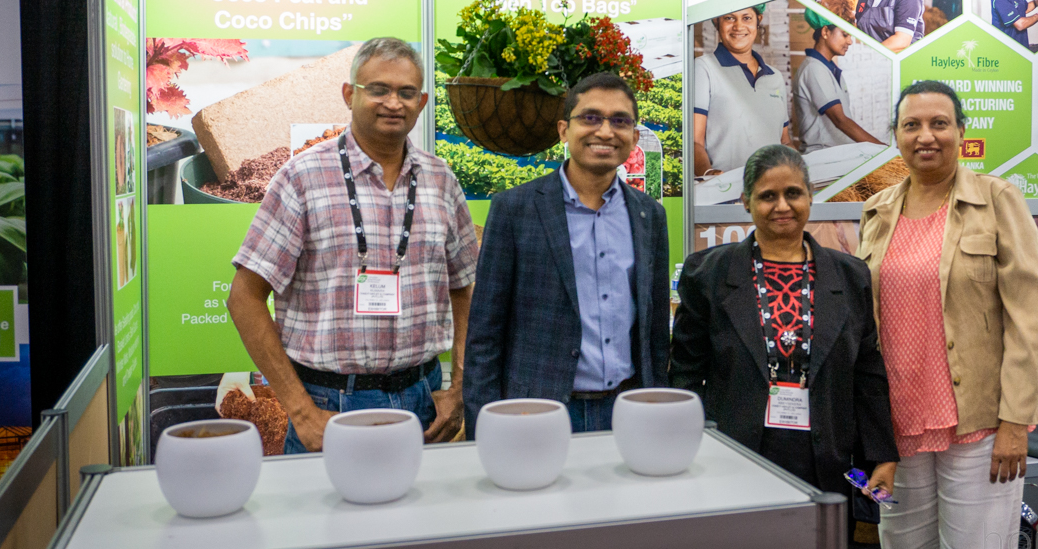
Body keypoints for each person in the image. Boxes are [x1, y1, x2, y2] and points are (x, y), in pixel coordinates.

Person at [227, 38, 478, 453]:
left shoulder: (441, 181)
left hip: (424, 402)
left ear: (421, 102)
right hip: (327, 405)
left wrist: (460, 388)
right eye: (378, 89)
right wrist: (301, 411)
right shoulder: (302, 178)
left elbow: (465, 287)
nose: (393, 103)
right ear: (349, 94)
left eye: (406, 92)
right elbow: (244, 297)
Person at [858, 81, 1038, 549]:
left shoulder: (996, 199)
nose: (926, 136)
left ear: (961, 132)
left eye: (939, 123)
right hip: (898, 424)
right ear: (896, 136)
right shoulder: (877, 210)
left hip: (979, 422)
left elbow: (1030, 318)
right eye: (912, 125)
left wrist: (1016, 422)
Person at [670, 145, 899, 497]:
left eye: (793, 193)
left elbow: (867, 371)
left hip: (826, 457)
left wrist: (881, 455)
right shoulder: (708, 274)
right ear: (745, 202)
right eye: (767, 196)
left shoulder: (850, 276)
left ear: (810, 195)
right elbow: (685, 373)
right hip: (733, 455)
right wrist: (691, 447)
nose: (782, 206)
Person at [463, 72, 671, 436]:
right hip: (538, 412)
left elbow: (654, 331)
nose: (605, 131)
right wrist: (483, 425)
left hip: (627, 410)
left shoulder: (649, 214)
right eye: (591, 118)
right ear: (564, 130)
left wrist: (657, 405)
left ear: (634, 137)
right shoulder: (515, 209)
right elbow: (485, 331)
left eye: (620, 121)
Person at [693, 4, 791, 175]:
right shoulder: (704, 68)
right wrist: (708, 175)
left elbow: (785, 142)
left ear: (758, 21)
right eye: (729, 18)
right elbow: (694, 142)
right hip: (725, 187)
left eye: (747, 18)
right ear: (717, 22)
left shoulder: (774, 76)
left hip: (771, 186)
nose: (738, 26)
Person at [795, 8, 884, 151]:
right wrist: (883, 150)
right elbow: (840, 120)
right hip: (823, 157)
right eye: (845, 35)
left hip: (838, 154)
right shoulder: (814, 68)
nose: (850, 41)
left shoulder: (829, 69)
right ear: (825, 32)